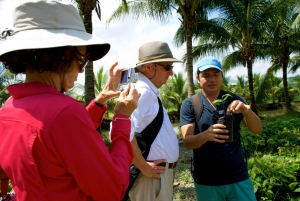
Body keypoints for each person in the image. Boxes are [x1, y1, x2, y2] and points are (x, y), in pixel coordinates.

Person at [0, 1, 140, 201]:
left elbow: (57, 139)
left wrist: (99, 102)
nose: (81, 69)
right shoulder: (64, 113)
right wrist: (121, 120)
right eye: (81, 59)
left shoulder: (8, 109)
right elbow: (112, 189)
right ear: (62, 55)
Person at [180, 56, 262, 201]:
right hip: (207, 180)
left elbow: (257, 129)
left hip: (238, 177)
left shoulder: (233, 99)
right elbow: (188, 142)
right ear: (197, 78)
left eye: (216, 74)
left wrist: (246, 110)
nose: (212, 79)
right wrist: (206, 135)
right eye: (206, 75)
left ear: (222, 76)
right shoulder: (190, 104)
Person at [128, 41, 182, 201]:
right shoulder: (143, 93)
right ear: (149, 67)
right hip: (151, 178)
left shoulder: (150, 94)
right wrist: (144, 167)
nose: (171, 73)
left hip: (156, 176)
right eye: (167, 67)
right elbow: (120, 132)